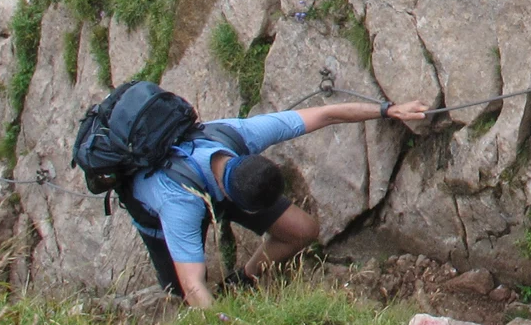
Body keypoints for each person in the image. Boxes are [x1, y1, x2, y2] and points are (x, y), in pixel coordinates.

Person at [128, 96, 429, 308]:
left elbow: (326, 114)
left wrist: (388, 110)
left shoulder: (240, 134)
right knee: (181, 291)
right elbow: (194, 287)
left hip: (213, 182)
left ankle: (243, 279)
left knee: (302, 229)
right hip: (160, 211)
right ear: (235, 200)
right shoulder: (179, 204)